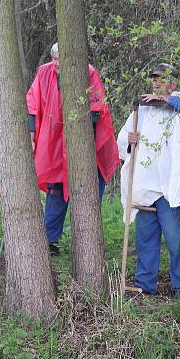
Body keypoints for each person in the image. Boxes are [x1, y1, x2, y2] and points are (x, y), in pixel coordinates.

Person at [26, 42, 119, 255]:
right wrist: (32, 131)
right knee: (55, 188)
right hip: (54, 142)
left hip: (87, 144)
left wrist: (83, 138)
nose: (58, 64)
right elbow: (32, 102)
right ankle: (50, 240)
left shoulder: (88, 72)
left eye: (62, 59)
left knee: (88, 190)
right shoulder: (44, 72)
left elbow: (97, 107)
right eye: (55, 59)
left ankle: (87, 242)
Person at [117, 63, 180, 296]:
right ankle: (145, 286)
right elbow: (123, 141)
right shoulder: (143, 109)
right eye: (154, 78)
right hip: (146, 185)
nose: (155, 83)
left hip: (169, 186)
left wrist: (164, 100)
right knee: (145, 238)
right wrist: (130, 141)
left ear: (173, 84)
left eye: (161, 79)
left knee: (176, 240)